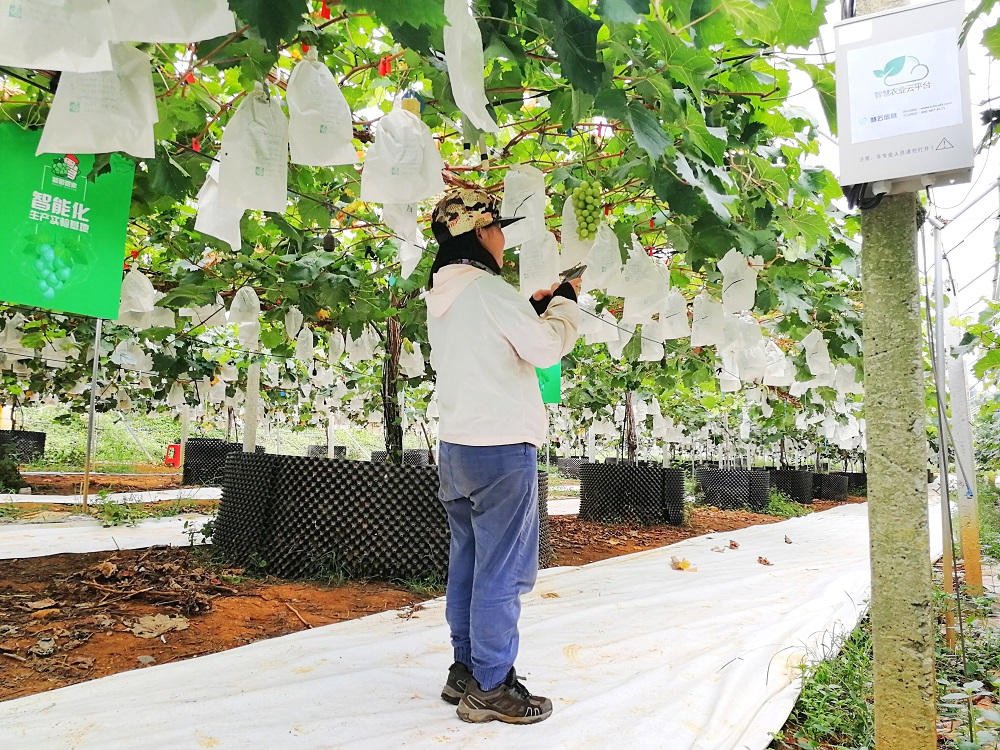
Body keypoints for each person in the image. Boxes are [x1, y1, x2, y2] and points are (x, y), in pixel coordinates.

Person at [426, 188, 581, 725]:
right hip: (500, 449)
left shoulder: (443, 293)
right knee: (501, 571)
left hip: (457, 449)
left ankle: (464, 671)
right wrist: (563, 305)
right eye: (497, 229)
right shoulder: (491, 290)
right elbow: (543, 350)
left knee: (468, 563)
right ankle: (492, 686)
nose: (503, 239)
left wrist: (529, 310)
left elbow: (490, 340)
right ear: (478, 235)